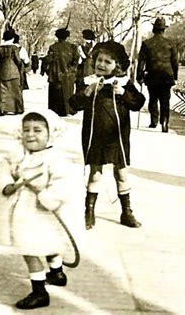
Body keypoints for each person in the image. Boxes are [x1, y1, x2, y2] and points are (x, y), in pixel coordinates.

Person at [0, 108, 83, 310]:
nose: (30, 135)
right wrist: (7, 183)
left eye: (37, 130)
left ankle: (39, 291)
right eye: (26, 130)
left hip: (43, 210)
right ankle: (56, 272)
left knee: (31, 248)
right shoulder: (17, 154)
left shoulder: (55, 159)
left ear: (50, 134)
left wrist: (46, 196)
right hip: (24, 210)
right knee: (45, 242)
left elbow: (62, 186)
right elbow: (3, 169)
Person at [69, 41, 145, 230]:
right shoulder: (88, 81)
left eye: (107, 62)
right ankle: (89, 211)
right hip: (95, 135)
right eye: (99, 60)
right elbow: (73, 105)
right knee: (95, 174)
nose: (101, 64)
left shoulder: (124, 83)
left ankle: (126, 212)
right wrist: (86, 93)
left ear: (117, 65)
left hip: (117, 135)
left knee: (120, 173)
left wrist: (123, 93)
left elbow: (138, 103)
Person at [137, 17, 178, 133]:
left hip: (152, 76)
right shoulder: (170, 44)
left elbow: (141, 62)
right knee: (165, 100)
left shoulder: (146, 44)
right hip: (166, 76)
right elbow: (175, 62)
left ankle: (154, 121)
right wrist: (174, 76)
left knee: (153, 98)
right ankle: (164, 121)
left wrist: (139, 76)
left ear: (154, 29)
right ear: (163, 30)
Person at [44, 28, 80, 116]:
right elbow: (76, 61)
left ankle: (56, 111)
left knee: (55, 94)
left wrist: (46, 69)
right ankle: (68, 110)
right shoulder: (73, 47)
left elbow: (48, 59)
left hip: (55, 74)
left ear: (57, 37)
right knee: (68, 92)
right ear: (67, 36)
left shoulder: (53, 47)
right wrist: (70, 70)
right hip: (68, 75)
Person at [0, 28, 24, 115]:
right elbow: (18, 60)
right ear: (13, 38)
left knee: (2, 91)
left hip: (2, 71)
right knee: (15, 91)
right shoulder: (14, 48)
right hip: (14, 71)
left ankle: (1, 109)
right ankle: (17, 108)